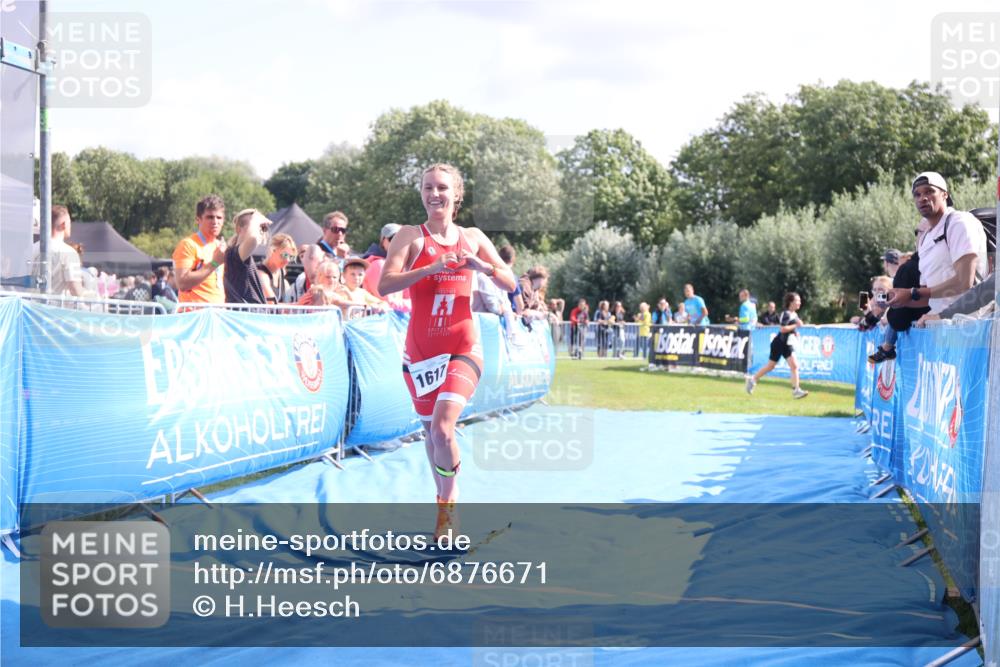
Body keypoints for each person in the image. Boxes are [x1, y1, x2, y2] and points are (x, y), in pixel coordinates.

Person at [379, 163, 516, 540]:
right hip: (421, 352)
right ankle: (443, 502)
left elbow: (511, 281)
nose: (434, 194)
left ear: (457, 195)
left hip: (462, 346)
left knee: (443, 428)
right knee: (431, 433)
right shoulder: (410, 236)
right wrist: (430, 268)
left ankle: (449, 505)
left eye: (441, 188)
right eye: (427, 188)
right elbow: (384, 285)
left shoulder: (472, 237)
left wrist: (483, 266)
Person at [886, 171, 989, 327]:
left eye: (929, 191)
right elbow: (928, 295)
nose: (923, 198)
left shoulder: (959, 222)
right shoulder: (925, 238)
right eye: (917, 194)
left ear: (944, 195)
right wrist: (900, 300)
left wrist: (913, 293)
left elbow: (964, 282)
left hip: (970, 324)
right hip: (940, 326)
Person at [745, 292, 809, 399]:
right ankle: (752, 380)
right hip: (779, 343)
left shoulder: (795, 315)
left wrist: (795, 332)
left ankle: (796, 390)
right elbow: (783, 329)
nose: (800, 302)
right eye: (797, 300)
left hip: (787, 344)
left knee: (794, 366)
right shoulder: (786, 314)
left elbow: (792, 328)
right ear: (791, 302)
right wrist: (795, 325)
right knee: (771, 366)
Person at [173, 195, 227, 304]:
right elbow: (182, 284)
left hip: (218, 313)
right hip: (194, 315)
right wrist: (215, 263)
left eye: (219, 217)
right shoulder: (188, 244)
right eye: (210, 217)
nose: (215, 222)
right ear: (198, 219)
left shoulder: (220, 246)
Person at [33, 205, 87, 297]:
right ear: (64, 225)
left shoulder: (31, 248)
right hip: (53, 309)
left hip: (30, 308)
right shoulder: (69, 253)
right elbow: (76, 290)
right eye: (70, 223)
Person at [223, 208, 270, 304]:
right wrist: (256, 218)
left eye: (263, 228)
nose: (261, 231)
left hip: (250, 315)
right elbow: (254, 238)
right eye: (256, 226)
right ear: (238, 229)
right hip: (245, 315)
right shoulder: (233, 254)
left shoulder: (238, 254)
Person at [363, 223, 412, 312]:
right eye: (393, 238)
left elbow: (411, 298)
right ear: (383, 241)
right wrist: (410, 305)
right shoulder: (378, 265)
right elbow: (388, 301)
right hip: (378, 320)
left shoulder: (402, 267)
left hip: (395, 320)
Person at [257, 233, 296, 304]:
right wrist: (297, 305)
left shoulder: (282, 275)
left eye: (291, 257)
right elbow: (272, 304)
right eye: (285, 255)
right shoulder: (261, 274)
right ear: (273, 250)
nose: (287, 260)